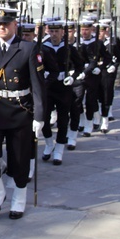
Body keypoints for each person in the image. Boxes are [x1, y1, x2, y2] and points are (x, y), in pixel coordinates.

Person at [0, 7, 45, 219]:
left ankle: (19, 199)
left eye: (6, 23)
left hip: (20, 108)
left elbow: (38, 84)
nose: (2, 27)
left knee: (20, 158)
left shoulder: (28, 48)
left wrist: (39, 115)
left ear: (15, 24)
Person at [40, 19, 83, 165]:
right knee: (44, 119)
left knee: (63, 119)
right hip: (48, 87)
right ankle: (48, 144)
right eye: (51, 31)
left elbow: (79, 66)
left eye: (56, 31)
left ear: (62, 32)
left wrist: (72, 77)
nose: (54, 35)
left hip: (64, 87)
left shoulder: (69, 48)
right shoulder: (42, 48)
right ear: (47, 31)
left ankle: (59, 149)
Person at [97, 20, 120, 133]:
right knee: (96, 95)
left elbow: (119, 55)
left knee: (107, 93)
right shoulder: (95, 42)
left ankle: (106, 118)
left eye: (104, 30)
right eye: (100, 30)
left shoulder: (113, 41)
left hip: (108, 71)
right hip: (96, 71)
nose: (102, 33)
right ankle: (95, 118)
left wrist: (115, 65)